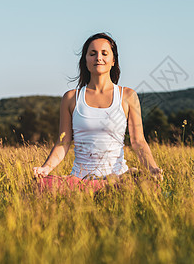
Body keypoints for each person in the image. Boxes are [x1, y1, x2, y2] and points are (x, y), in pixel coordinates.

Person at [32, 33, 163, 189]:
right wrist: (46, 168)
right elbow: (63, 142)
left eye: (104, 53)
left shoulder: (127, 96)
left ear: (113, 60)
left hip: (118, 180)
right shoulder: (71, 98)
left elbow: (138, 142)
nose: (98, 58)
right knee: (40, 186)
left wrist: (152, 168)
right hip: (81, 182)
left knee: (149, 186)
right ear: (85, 60)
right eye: (92, 54)